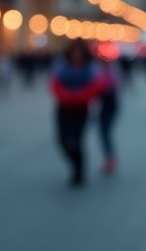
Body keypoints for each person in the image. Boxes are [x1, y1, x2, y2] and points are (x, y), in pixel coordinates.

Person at [49, 41, 105, 187]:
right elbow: (54, 84)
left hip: (81, 109)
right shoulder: (61, 66)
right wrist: (67, 96)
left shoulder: (90, 68)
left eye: (79, 52)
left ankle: (79, 171)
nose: (76, 55)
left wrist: (78, 96)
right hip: (63, 108)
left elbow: (96, 86)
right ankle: (75, 165)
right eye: (74, 52)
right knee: (62, 140)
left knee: (77, 140)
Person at [97, 57, 120, 175]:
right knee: (104, 133)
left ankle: (110, 159)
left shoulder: (111, 74)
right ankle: (109, 158)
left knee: (105, 133)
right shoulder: (99, 74)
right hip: (103, 107)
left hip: (109, 107)